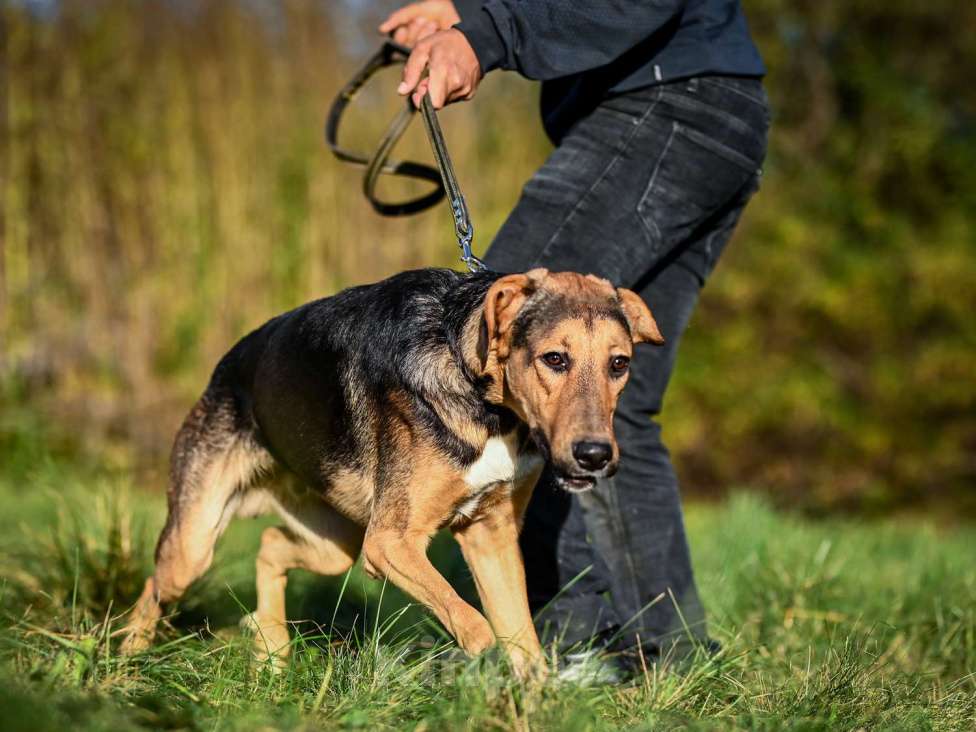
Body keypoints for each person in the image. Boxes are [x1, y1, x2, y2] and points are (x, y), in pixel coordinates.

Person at [379, 0, 770, 677]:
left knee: (493, 341)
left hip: (665, 106)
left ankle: (566, 643)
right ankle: (664, 658)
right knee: (621, 400)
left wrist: (485, 35)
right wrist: (463, 11)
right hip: (709, 112)